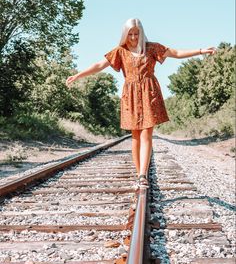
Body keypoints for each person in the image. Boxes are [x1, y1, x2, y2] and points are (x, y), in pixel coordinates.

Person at [66, 18, 216, 188]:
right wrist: (78, 75)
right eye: (130, 34)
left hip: (149, 93)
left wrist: (201, 51)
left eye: (136, 33)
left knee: (146, 134)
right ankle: (139, 174)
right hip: (130, 95)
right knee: (135, 136)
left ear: (141, 32)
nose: (133, 37)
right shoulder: (120, 51)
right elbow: (100, 65)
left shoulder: (151, 47)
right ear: (125, 34)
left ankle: (143, 175)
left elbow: (176, 53)